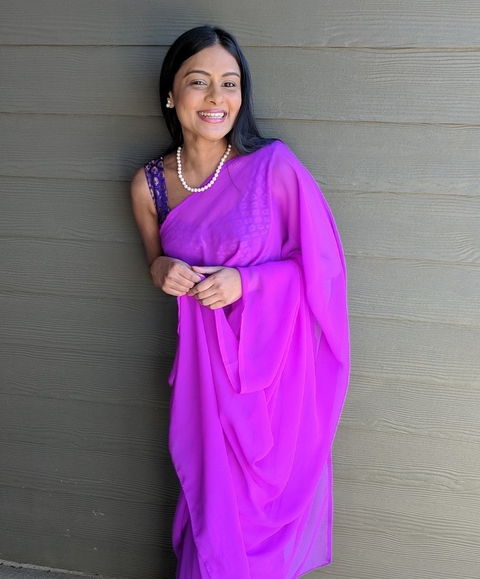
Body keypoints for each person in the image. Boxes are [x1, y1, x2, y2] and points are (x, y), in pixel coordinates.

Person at [131, 25, 350, 579]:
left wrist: (246, 284)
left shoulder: (274, 167)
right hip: (206, 381)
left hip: (271, 381)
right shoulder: (150, 186)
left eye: (229, 83)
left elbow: (322, 269)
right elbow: (155, 264)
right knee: (210, 507)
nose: (216, 97)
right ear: (170, 94)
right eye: (198, 81)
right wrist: (162, 269)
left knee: (256, 519)